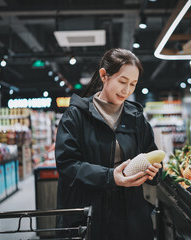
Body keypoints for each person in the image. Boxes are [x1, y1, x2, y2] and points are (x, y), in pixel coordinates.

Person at [55, 48, 162, 240]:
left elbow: (150, 154)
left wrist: (154, 173)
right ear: (104, 75)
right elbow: (67, 165)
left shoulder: (136, 118)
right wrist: (110, 177)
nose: (127, 90)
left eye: (133, 84)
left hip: (131, 218)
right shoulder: (76, 116)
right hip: (90, 217)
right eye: (122, 81)